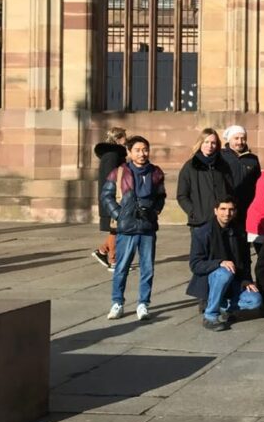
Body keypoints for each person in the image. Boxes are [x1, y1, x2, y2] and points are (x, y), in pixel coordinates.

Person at [100, 135, 166, 321]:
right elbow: (106, 195)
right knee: (121, 267)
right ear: (129, 152)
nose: (142, 154)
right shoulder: (119, 172)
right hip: (127, 227)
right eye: (137, 150)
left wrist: (155, 210)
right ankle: (117, 302)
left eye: (145, 150)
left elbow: (161, 195)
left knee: (147, 267)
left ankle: (143, 303)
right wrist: (118, 214)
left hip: (147, 226)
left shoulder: (155, 172)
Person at [188, 197, 263, 331]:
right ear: (215, 211)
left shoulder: (239, 232)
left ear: (235, 212)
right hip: (212, 279)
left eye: (230, 209)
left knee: (255, 300)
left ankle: (223, 306)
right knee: (224, 273)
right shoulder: (202, 232)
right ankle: (210, 316)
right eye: (223, 209)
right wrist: (219, 263)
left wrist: (246, 279)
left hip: (235, 281)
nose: (227, 213)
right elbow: (195, 264)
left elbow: (246, 260)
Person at [177, 128, 233, 231]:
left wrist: (227, 212)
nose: (210, 146)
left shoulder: (223, 165)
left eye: (213, 143)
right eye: (206, 142)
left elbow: (230, 191)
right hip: (199, 222)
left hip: (221, 221)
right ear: (200, 143)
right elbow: (182, 195)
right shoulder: (190, 167)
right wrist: (194, 212)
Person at [92, 126, 127, 270]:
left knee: (118, 229)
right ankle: (113, 260)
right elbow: (111, 179)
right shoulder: (112, 156)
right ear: (118, 138)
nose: (126, 140)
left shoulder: (113, 155)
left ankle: (102, 251)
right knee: (116, 229)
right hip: (113, 198)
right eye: (124, 137)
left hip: (114, 197)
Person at [219, 125, 261, 232]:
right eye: (236, 138)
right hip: (226, 206)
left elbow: (258, 183)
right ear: (229, 139)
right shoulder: (220, 157)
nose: (240, 142)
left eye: (243, 138)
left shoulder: (253, 159)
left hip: (246, 207)